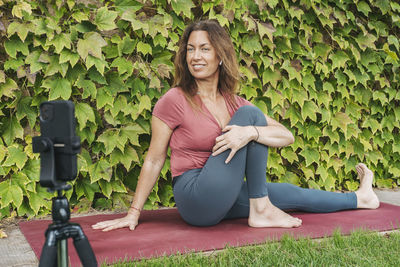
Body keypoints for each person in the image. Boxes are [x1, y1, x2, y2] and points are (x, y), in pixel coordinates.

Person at [92, 20, 379, 232]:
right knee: (250, 118)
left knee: (291, 193)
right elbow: (155, 159)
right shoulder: (175, 99)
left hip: (225, 190)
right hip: (195, 196)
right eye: (190, 49)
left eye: (204, 49)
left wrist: (250, 133)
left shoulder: (233, 102)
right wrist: (133, 212)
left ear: (219, 56)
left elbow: (286, 136)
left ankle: (361, 198)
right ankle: (261, 209)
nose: (195, 56)